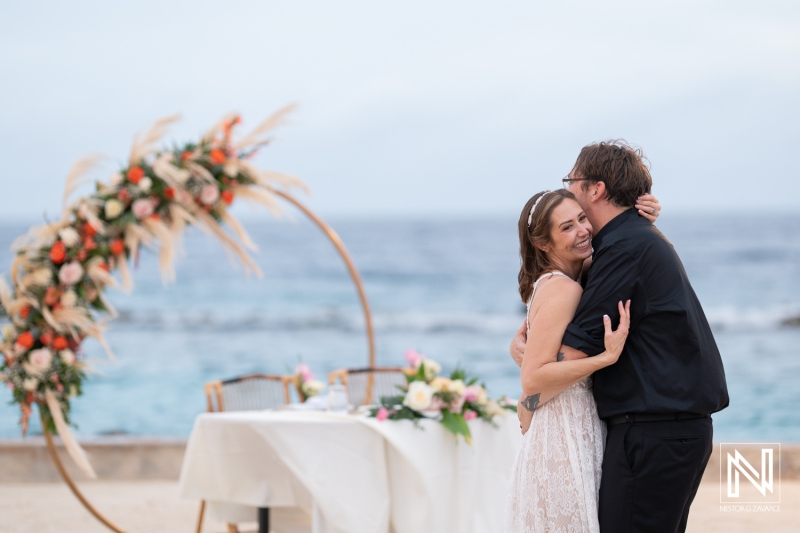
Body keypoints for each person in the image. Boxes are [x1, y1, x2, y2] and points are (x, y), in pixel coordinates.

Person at [510, 141, 729, 533]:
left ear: (595, 190)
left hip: (656, 432)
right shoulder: (627, 242)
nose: (568, 190)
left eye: (572, 182)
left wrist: (527, 402)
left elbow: (567, 356)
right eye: (566, 224)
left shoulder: (624, 248)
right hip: (664, 429)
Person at [505, 188, 636, 532]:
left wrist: (643, 217)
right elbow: (533, 378)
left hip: (569, 427)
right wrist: (604, 358)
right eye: (566, 227)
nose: (582, 230)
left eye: (582, 218)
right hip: (561, 434)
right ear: (543, 244)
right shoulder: (565, 288)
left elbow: (619, 254)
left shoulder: (567, 279)